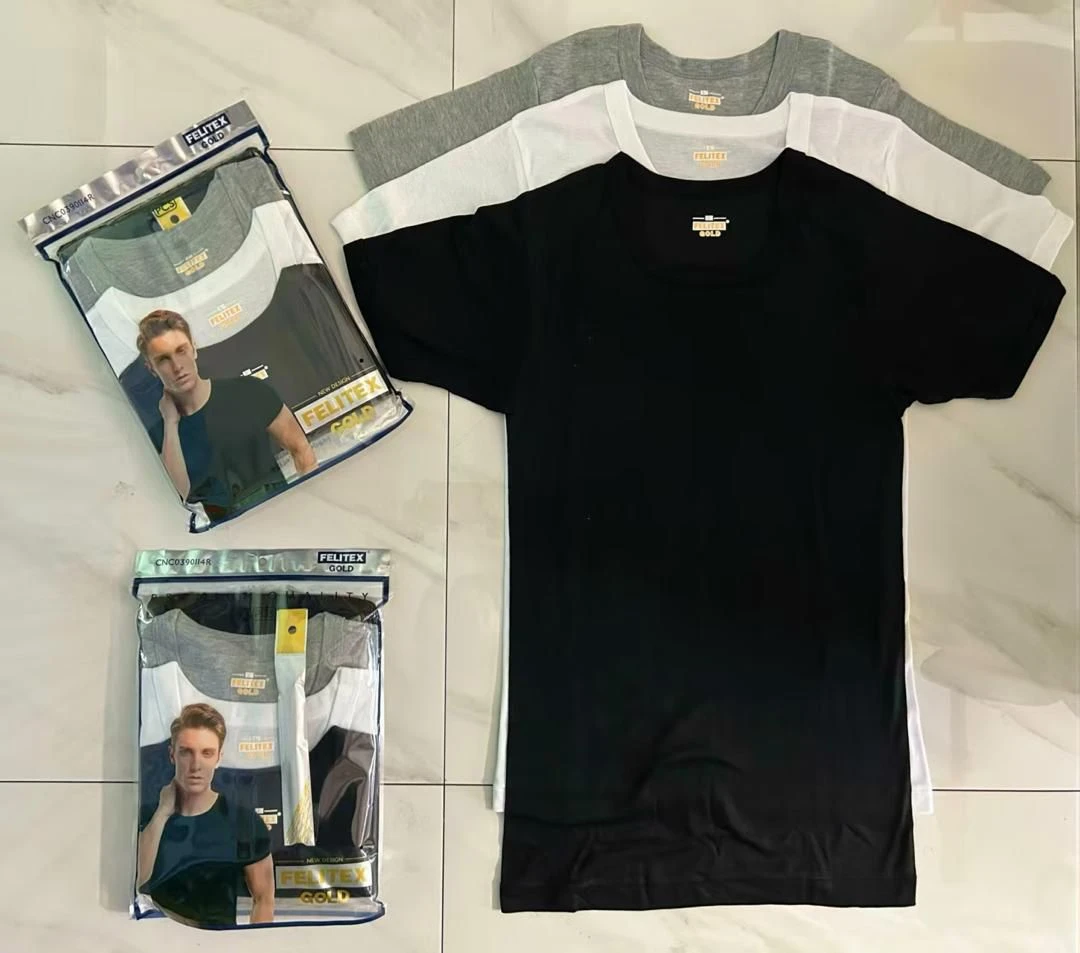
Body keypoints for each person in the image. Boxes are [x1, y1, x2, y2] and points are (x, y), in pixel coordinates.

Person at [137, 309, 317, 518]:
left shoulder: (248, 391)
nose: (177, 366)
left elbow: (301, 448)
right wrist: (170, 423)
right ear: (151, 369)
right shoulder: (161, 435)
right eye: (164, 359)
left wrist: (309, 510)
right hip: (224, 534)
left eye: (181, 351)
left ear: (194, 349)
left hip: (284, 517)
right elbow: (178, 496)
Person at [137, 703, 275, 926]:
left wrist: (253, 943)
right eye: (186, 752)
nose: (196, 765)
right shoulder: (150, 815)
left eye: (207, 753)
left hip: (217, 940)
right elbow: (136, 880)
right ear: (172, 755)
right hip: (157, 938)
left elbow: (264, 900)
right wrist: (162, 813)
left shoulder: (243, 821)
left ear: (219, 758)